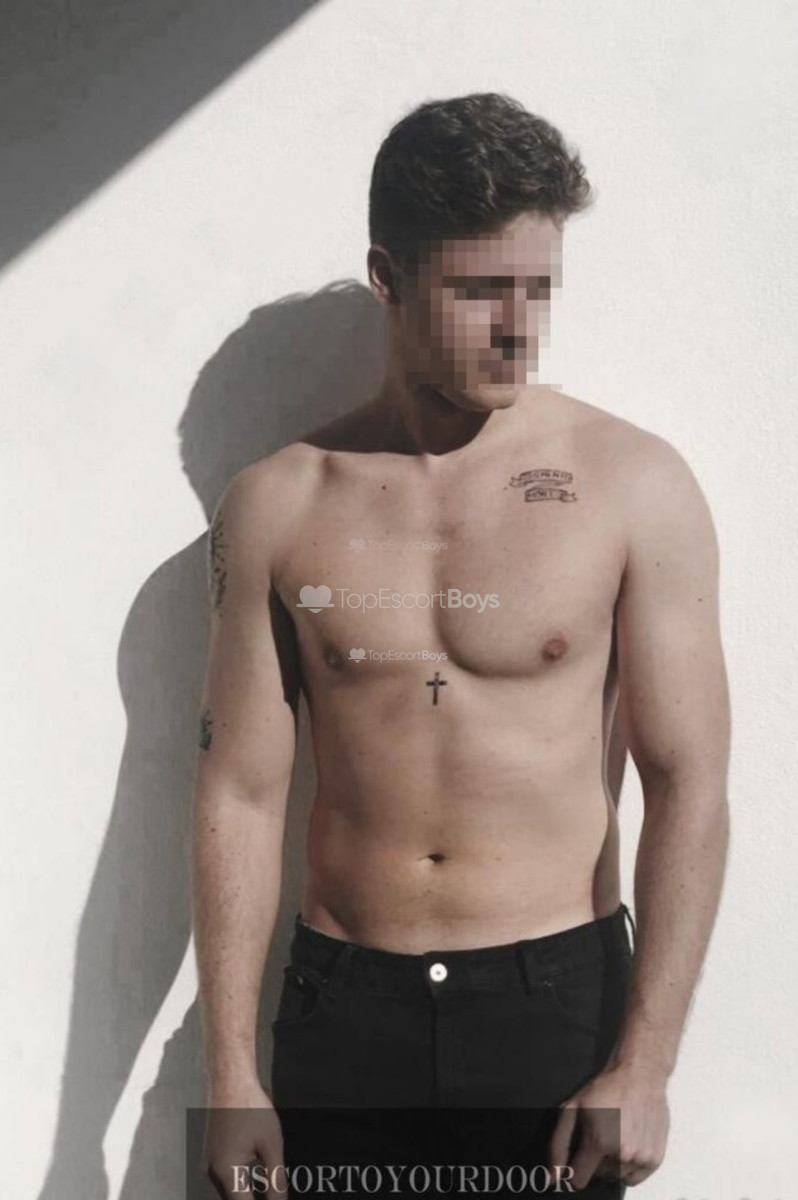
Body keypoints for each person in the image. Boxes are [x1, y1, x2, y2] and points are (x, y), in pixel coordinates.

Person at [191, 93, 730, 1199]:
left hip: (554, 1010)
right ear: (389, 278)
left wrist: (647, 1062)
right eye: (481, 291)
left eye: (540, 289)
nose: (520, 328)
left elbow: (690, 783)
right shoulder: (280, 503)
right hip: (343, 1008)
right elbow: (240, 790)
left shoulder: (632, 484)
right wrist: (231, 1070)